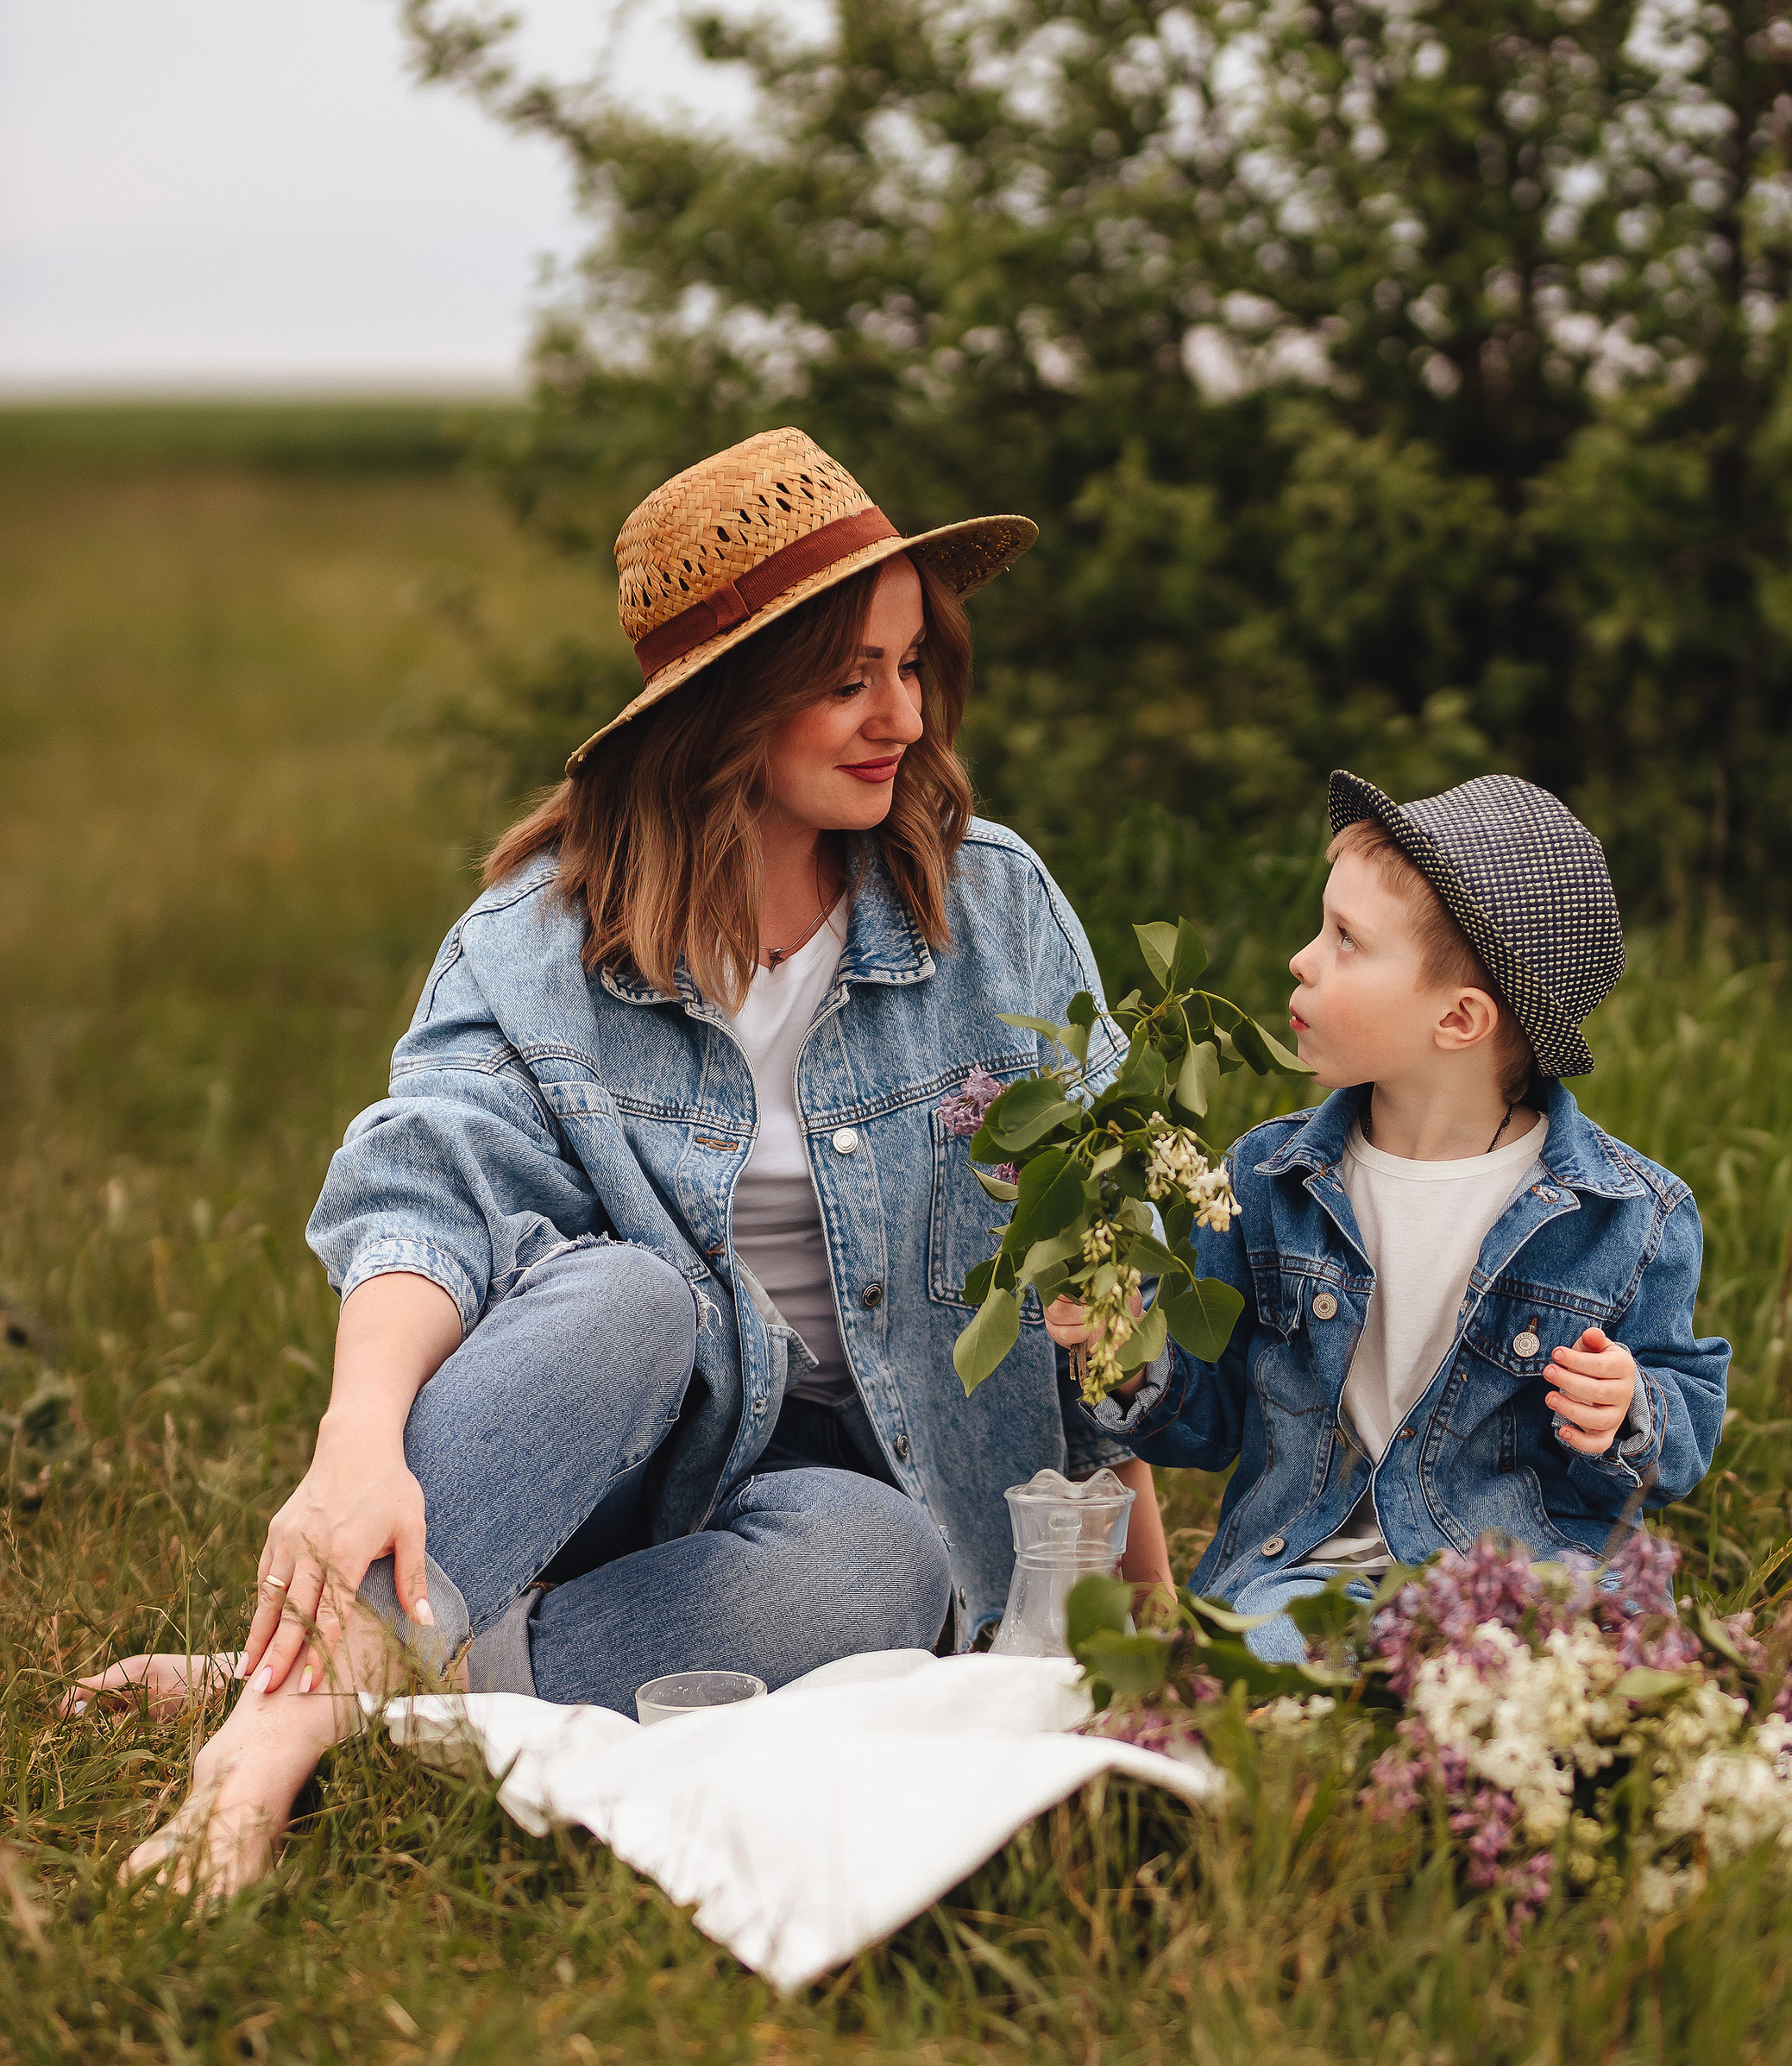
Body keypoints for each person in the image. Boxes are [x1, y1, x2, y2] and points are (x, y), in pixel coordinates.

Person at [85, 426, 1169, 1890]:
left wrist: (1149, 1599)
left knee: (890, 1565)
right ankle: (262, 1748)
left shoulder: (995, 910)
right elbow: (427, 1190)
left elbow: (1100, 1242)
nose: (902, 718)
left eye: (913, 666)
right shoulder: (536, 945)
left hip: (840, 1508)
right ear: (728, 701)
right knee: (629, 1297)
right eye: (848, 679)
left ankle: (357, 1674)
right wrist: (354, 1443)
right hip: (616, 1470)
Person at [1047, 772, 1729, 1659]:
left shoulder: (1626, 1214)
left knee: (1572, 1662)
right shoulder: (1268, 1179)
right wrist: (1129, 1359)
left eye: (1346, 941)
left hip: (1521, 1579)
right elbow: (1209, 1420)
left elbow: (1682, 1431)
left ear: (1459, 1019)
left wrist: (1629, 1407)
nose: (1302, 959)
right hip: (1309, 1575)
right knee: (1266, 1654)